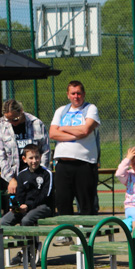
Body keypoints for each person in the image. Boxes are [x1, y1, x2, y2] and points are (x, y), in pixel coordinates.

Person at [49, 80, 101, 216]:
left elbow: (85, 131)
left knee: (86, 204)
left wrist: (64, 128)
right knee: (62, 202)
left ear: (83, 94)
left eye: (78, 93)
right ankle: (66, 235)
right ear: (68, 95)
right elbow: (53, 133)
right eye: (73, 93)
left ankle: (88, 234)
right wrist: (75, 135)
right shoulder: (61, 110)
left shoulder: (90, 109)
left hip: (84, 164)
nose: (76, 96)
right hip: (62, 164)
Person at [0, 99, 50, 200]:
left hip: (35, 176)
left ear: (21, 111)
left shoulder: (37, 124)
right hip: (14, 177)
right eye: (8, 120)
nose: (12, 122)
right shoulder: (2, 127)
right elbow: (1, 156)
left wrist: (40, 174)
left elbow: (45, 150)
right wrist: (11, 179)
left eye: (15, 119)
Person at [0, 144, 53, 228]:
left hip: (42, 206)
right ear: (24, 159)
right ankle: (21, 240)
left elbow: (44, 196)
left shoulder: (47, 174)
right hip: (25, 207)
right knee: (4, 221)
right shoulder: (21, 175)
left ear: (41, 157)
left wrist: (28, 206)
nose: (34, 161)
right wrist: (16, 207)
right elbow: (20, 194)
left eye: (37, 157)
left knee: (26, 220)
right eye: (31, 158)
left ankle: (31, 241)